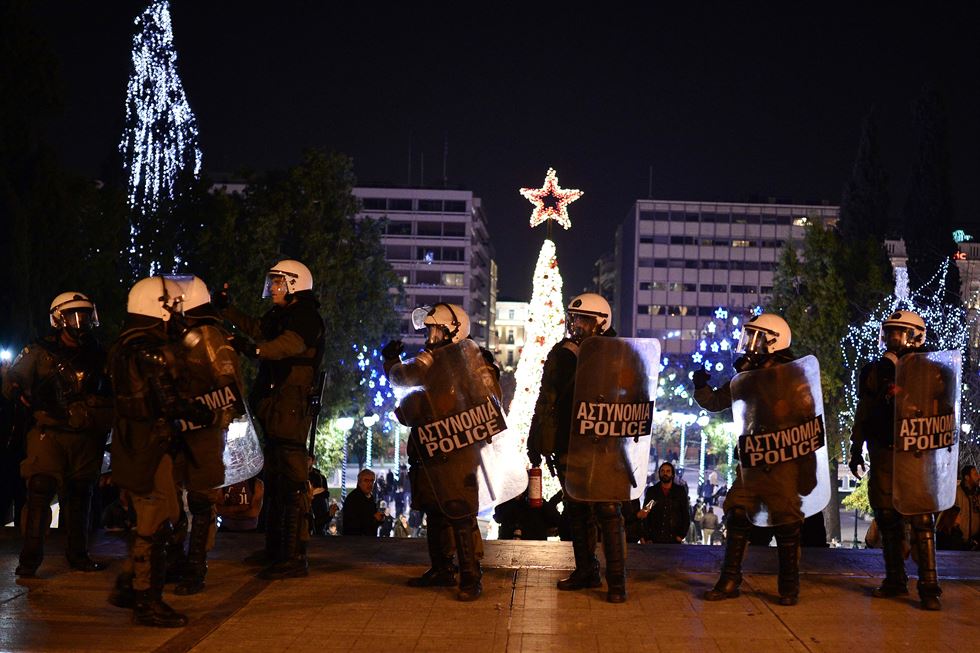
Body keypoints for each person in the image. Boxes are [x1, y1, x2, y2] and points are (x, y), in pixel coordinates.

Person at [107, 277, 216, 627]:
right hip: (148, 445)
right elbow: (169, 402)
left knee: (158, 516)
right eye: (172, 305)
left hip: (135, 442)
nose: (177, 311)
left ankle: (129, 585)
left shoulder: (125, 345)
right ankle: (147, 601)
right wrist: (202, 411)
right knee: (153, 522)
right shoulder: (148, 351)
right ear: (158, 306)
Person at [215, 259, 324, 580]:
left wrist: (254, 350)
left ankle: (292, 556)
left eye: (278, 282)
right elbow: (258, 329)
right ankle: (276, 550)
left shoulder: (306, 317)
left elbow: (285, 346)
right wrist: (227, 310)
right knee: (275, 481)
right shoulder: (283, 314)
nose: (273, 288)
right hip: (276, 406)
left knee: (290, 484)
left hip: (290, 407)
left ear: (293, 284)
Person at [383, 303, 501, 601]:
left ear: (453, 331)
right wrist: (392, 362)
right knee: (435, 510)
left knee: (460, 511)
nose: (429, 335)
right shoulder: (430, 361)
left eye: (435, 329)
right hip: (429, 445)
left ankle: (471, 575)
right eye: (429, 329)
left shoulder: (473, 359)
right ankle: (441, 568)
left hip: (459, 447)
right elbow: (405, 382)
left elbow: (490, 400)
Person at [693, 313, 808, 606]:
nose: (748, 344)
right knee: (738, 513)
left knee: (785, 523)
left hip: (782, 460)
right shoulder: (747, 374)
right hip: (752, 460)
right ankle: (730, 580)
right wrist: (701, 386)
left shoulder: (793, 375)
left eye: (756, 338)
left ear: (773, 341)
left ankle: (789, 586)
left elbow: (804, 415)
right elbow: (717, 402)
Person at [527, 293, 632, 603]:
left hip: (603, 443)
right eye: (574, 319)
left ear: (601, 321)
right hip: (569, 443)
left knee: (608, 511)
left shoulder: (617, 353)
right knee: (576, 510)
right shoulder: (563, 352)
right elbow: (547, 399)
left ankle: (617, 582)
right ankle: (586, 571)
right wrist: (537, 439)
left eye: (583, 319)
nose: (576, 325)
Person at [3, 292, 113, 577]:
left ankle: (78, 555)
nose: (82, 322)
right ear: (58, 319)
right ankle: (29, 561)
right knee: (39, 490)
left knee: (80, 496)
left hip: (86, 437)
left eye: (87, 315)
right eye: (75, 315)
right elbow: (12, 382)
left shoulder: (100, 353)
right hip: (50, 433)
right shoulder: (39, 352)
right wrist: (19, 390)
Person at [850, 310, 949, 610]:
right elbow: (864, 411)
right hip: (882, 449)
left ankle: (929, 586)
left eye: (901, 333)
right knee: (886, 516)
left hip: (915, 450)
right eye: (890, 333)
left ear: (917, 336)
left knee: (921, 517)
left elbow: (944, 409)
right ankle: (895, 578)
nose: (894, 340)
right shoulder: (874, 371)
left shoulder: (933, 369)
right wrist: (856, 448)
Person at [165, 277, 245, 596]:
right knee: (169, 498)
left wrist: (208, 413)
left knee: (200, 499)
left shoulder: (210, 336)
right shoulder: (179, 335)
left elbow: (231, 390)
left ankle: (195, 567)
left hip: (205, 430)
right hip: (178, 428)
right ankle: (175, 560)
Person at [638, 462, 690, 544]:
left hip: (674, 539)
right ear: (659, 474)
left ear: (672, 474)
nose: (665, 473)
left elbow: (685, 514)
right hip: (655, 539)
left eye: (668, 471)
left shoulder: (680, 492)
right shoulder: (653, 491)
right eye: (662, 471)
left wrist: (681, 535)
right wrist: (647, 537)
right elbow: (646, 513)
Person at [939, 465, 979, 550]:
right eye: (975, 474)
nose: (978, 477)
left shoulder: (978, 495)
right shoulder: (955, 493)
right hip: (958, 543)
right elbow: (948, 518)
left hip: (975, 544)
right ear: (967, 477)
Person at [342, 469, 383, 536]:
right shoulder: (353, 499)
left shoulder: (370, 497)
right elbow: (353, 524)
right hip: (356, 541)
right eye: (366, 480)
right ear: (359, 482)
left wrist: (380, 518)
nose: (370, 484)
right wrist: (374, 519)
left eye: (372, 481)